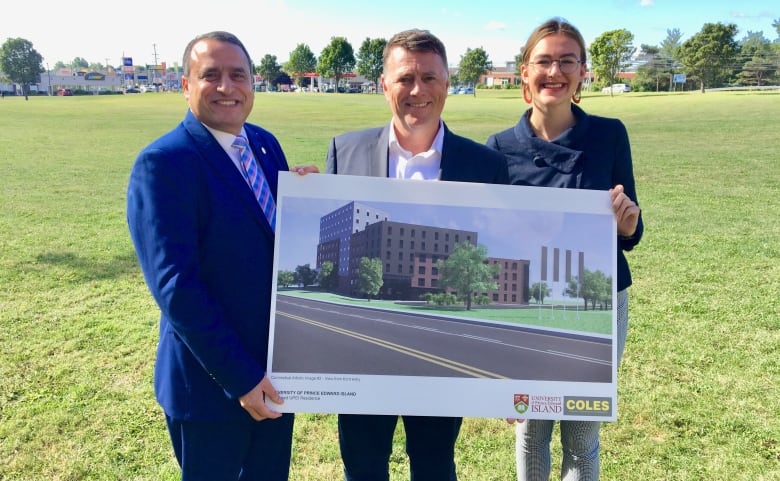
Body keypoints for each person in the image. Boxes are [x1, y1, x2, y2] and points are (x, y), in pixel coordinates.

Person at [126, 31, 317, 481]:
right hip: (214, 387)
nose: (227, 87)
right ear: (185, 85)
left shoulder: (265, 145)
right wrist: (242, 379)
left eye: (238, 75)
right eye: (210, 75)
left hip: (275, 376)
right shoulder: (164, 163)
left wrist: (308, 199)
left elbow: (272, 239)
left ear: (253, 83)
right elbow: (178, 289)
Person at [326, 28, 509, 481]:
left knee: (434, 464)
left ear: (447, 84)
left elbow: (501, 250)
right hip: (363, 348)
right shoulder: (344, 150)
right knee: (363, 465)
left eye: (430, 77)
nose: (417, 90)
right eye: (405, 78)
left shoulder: (484, 165)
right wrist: (304, 190)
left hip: (442, 347)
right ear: (383, 85)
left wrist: (509, 380)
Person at [485, 18, 643, 481]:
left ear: (582, 73)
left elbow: (630, 231)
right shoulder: (499, 149)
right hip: (528, 304)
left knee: (581, 430)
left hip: (598, 298)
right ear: (524, 73)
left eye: (566, 61)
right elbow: (486, 237)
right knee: (532, 429)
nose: (555, 71)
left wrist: (628, 223)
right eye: (544, 61)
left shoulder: (609, 135)